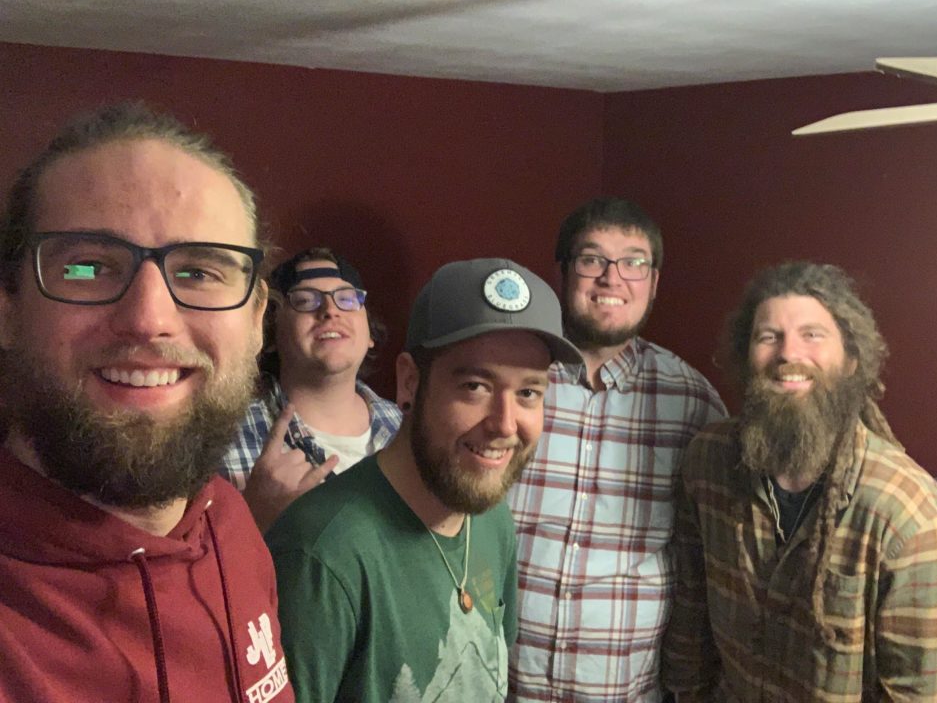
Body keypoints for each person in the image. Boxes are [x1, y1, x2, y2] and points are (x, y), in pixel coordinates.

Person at [0, 102, 294, 703]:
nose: (148, 319)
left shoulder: (229, 521)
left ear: (257, 319)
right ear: (8, 312)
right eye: (88, 267)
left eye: (200, 273)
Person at [267, 258, 583, 703]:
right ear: (410, 382)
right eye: (475, 386)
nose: (505, 424)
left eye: (528, 392)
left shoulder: (491, 516)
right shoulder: (320, 555)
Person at [661, 261, 937, 701]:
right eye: (768, 336)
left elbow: (928, 693)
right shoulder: (708, 462)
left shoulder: (908, 512)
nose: (788, 353)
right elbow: (690, 620)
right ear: (745, 356)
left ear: (851, 361)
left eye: (812, 334)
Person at [506, 197, 727, 702]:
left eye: (633, 262)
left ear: (654, 282)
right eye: (592, 259)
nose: (612, 278)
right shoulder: (512, 378)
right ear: (563, 272)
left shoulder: (693, 403)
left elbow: (710, 561)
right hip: (500, 686)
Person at [221, 247, 402, 531]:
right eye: (305, 300)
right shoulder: (224, 437)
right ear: (270, 334)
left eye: (347, 299)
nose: (330, 310)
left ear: (369, 334)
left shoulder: (408, 430)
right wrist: (253, 518)